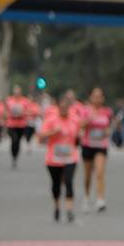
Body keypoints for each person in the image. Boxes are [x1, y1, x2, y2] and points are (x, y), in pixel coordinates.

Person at [38, 92, 81, 223]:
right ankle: (57, 207)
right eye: (61, 107)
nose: (63, 110)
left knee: (68, 182)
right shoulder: (51, 120)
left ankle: (69, 210)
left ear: (69, 108)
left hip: (70, 157)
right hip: (54, 158)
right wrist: (53, 132)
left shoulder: (74, 119)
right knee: (56, 184)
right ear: (57, 108)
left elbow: (78, 136)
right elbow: (40, 137)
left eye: (66, 107)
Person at [79, 87, 114, 212]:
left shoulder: (107, 111)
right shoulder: (85, 110)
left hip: (101, 145)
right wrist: (89, 119)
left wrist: (108, 131)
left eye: (100, 96)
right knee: (88, 176)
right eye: (95, 96)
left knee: (100, 172)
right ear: (91, 98)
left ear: (103, 98)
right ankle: (87, 197)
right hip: (88, 144)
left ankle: (100, 199)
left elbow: (109, 126)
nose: (97, 99)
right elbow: (80, 125)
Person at [3, 85, 36, 169]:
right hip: (11, 124)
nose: (16, 94)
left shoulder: (25, 101)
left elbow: (30, 112)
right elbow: (5, 112)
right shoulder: (9, 100)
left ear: (20, 93)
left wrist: (22, 114)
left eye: (18, 93)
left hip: (21, 125)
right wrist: (7, 115)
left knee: (17, 142)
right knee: (14, 139)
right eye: (15, 93)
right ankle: (13, 156)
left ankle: (15, 157)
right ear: (13, 93)